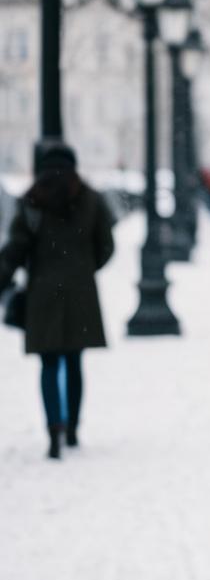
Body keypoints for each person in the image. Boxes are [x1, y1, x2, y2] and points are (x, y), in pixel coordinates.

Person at [0, 142, 115, 459]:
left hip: (43, 293)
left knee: (49, 363)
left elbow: (15, 249)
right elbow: (106, 246)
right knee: (75, 362)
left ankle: (54, 429)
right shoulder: (90, 199)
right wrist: (83, 268)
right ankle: (74, 428)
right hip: (80, 292)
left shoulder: (33, 200)